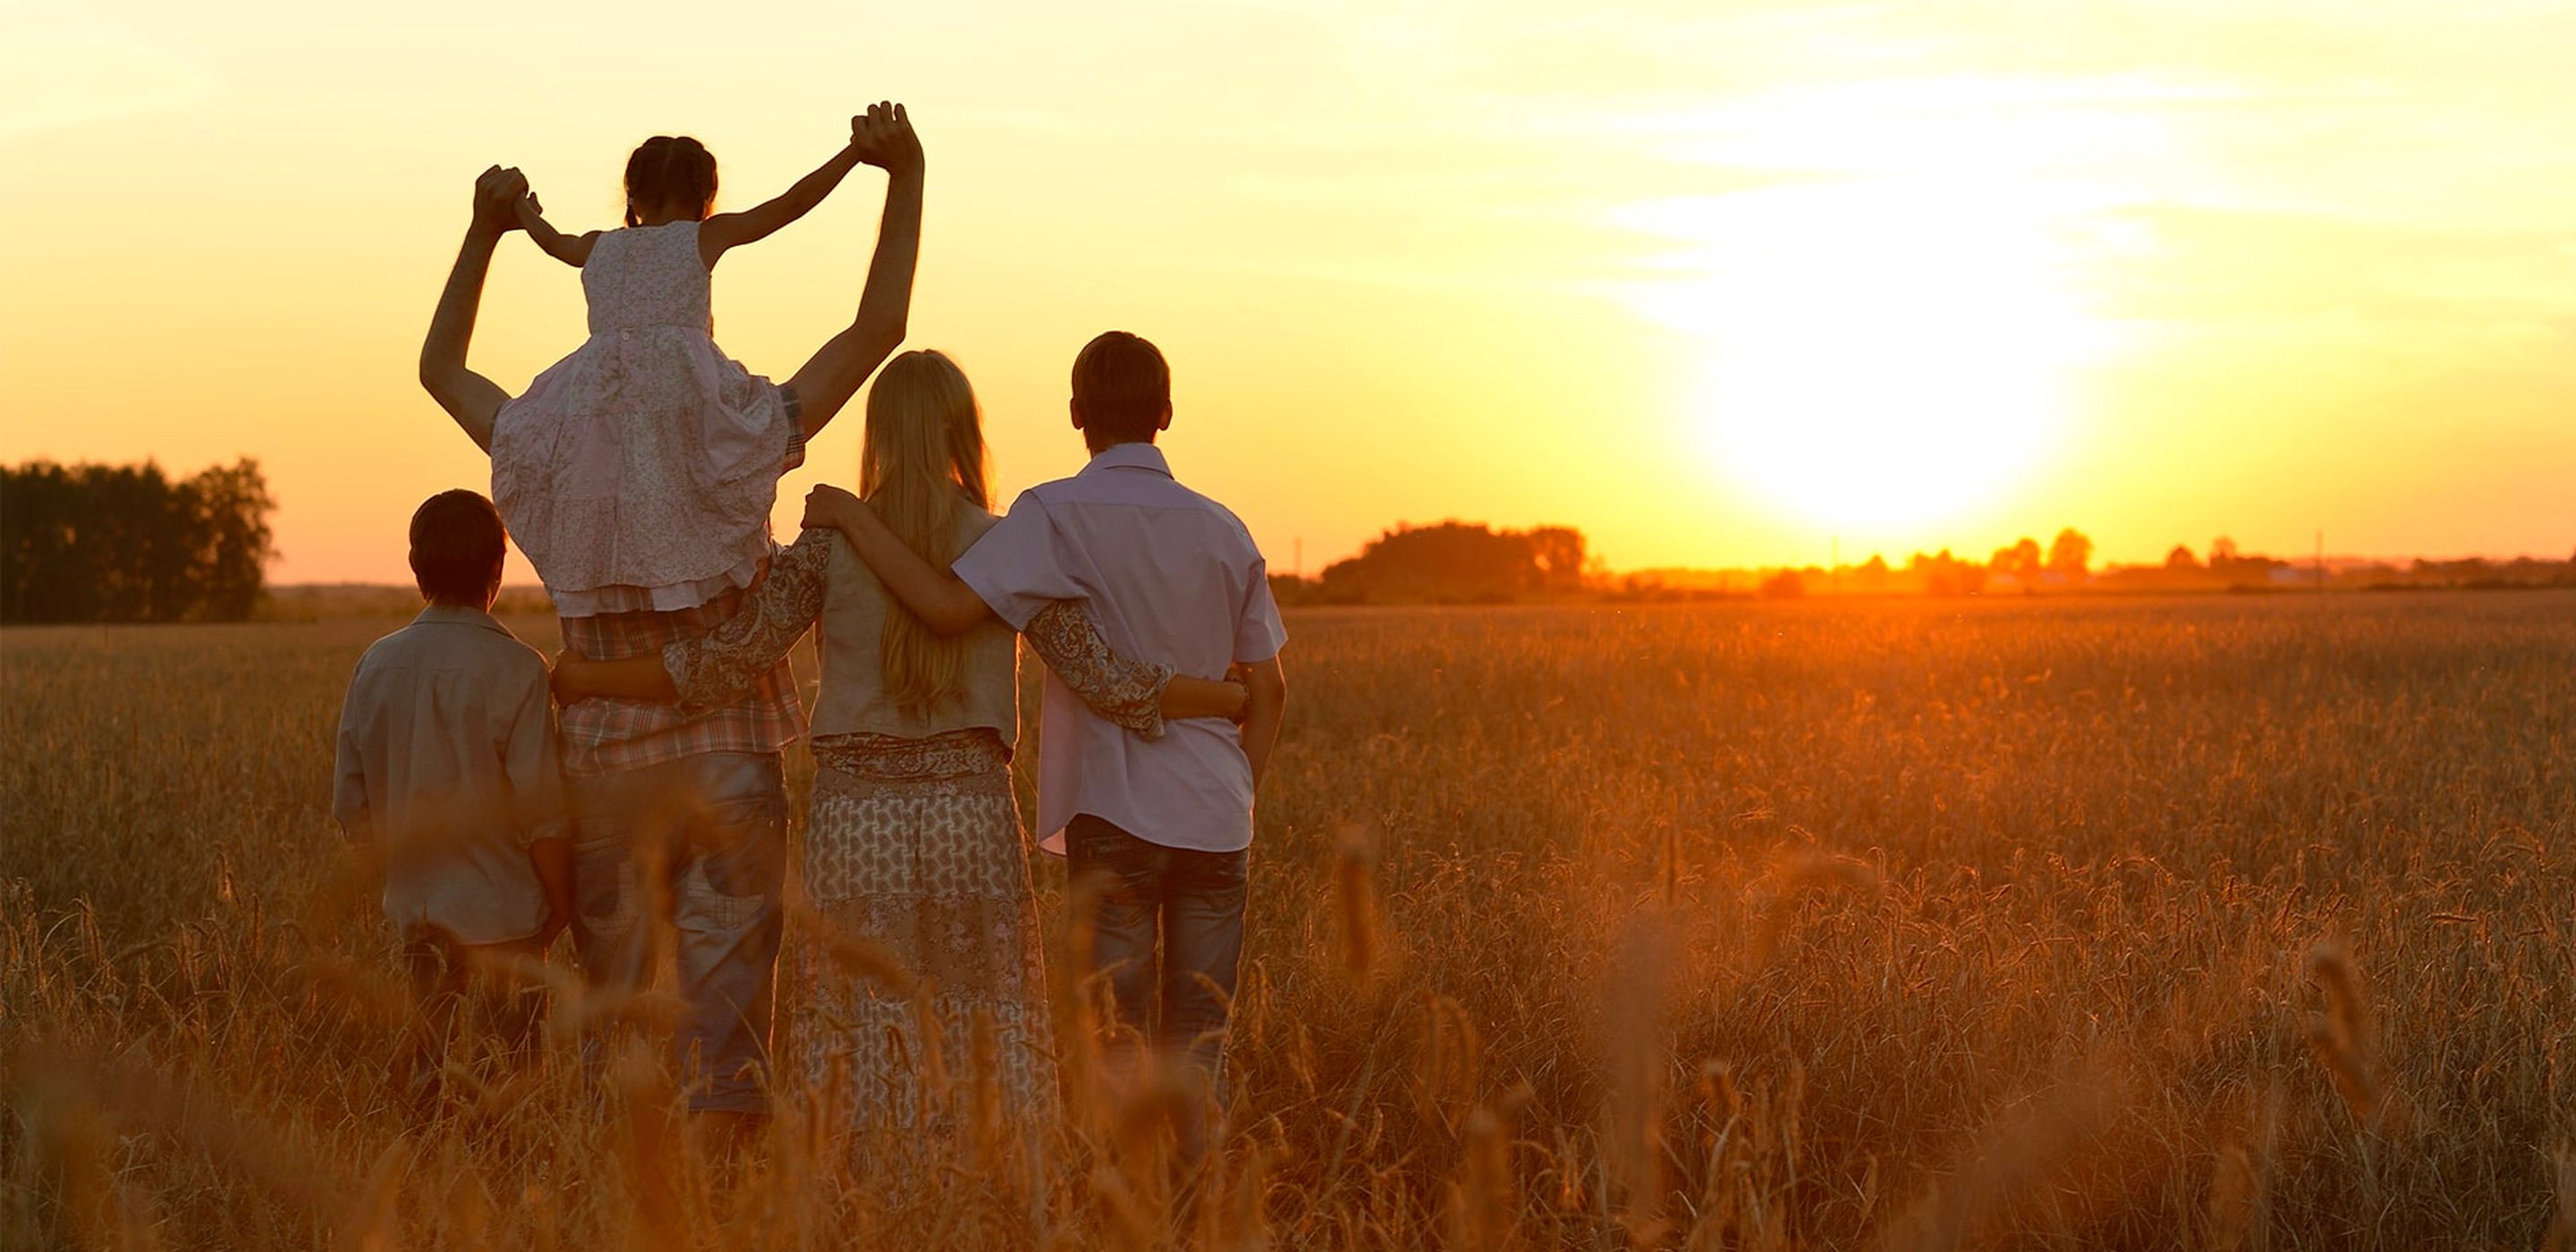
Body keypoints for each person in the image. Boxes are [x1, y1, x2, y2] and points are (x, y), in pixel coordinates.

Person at [551, 350, 1248, 1146]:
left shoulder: (824, 548)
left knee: (856, 1015)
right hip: (972, 821)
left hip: (855, 823)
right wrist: (1223, 694)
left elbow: (724, 664)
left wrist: (594, 675)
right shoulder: (1006, 542)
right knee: (978, 1018)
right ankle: (982, 1190)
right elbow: (1108, 680)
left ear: (878, 433)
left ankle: (857, 1195)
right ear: (963, 431)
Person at [414, 104, 922, 1133]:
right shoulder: (741, 415)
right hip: (732, 759)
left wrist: (485, 229)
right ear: (704, 220)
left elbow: (439, 369)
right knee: (727, 1040)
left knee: (618, 1044)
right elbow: (879, 329)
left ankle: (625, 1212)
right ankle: (727, 1206)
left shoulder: (544, 428)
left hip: (603, 767)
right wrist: (899, 171)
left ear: (630, 213)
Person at [803, 331, 1288, 1115]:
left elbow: (949, 608)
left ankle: (1118, 1206)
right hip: (1213, 814)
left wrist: (853, 520)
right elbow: (1258, 689)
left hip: (1109, 809)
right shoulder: (1225, 528)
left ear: (1074, 414)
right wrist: (1233, 765)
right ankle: (1195, 1215)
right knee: (1202, 1037)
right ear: (1167, 412)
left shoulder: (1047, 516)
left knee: (1114, 1037)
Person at [498, 119, 896, 617]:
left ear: (633, 194)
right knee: (709, 471)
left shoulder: (598, 245)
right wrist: (852, 154)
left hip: (600, 394)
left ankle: (610, 570)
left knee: (605, 482)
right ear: (706, 192)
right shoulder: (703, 236)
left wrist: (520, 211)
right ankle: (688, 578)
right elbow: (790, 205)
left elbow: (551, 240)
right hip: (682, 388)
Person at [330, 489, 572, 1104]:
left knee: (426, 1076)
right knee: (509, 1084)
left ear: (415, 570)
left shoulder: (375, 665)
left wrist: (402, 874)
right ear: (499, 568)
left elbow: (352, 808)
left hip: (419, 916)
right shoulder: (519, 670)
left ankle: (420, 1183)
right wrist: (561, 907)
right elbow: (541, 814)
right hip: (508, 919)